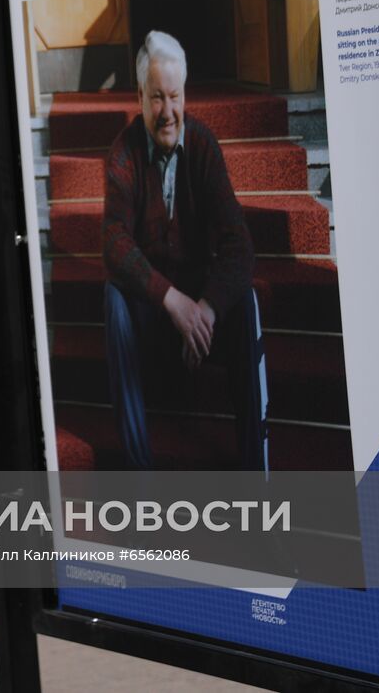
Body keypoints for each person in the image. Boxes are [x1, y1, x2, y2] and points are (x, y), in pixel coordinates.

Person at [103, 30, 266, 471]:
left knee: (245, 300)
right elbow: (114, 243)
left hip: (200, 316)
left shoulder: (203, 146)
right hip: (153, 315)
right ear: (139, 96)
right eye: (157, 98)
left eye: (175, 96)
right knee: (114, 299)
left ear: (185, 94)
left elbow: (240, 244)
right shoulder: (123, 153)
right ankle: (140, 473)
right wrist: (170, 301)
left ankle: (256, 466)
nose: (168, 112)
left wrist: (205, 310)